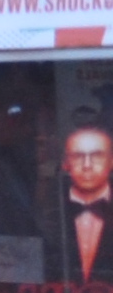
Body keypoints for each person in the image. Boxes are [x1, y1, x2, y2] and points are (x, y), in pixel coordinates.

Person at [58, 121, 113, 284]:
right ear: (65, 163)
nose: (87, 165)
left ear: (111, 161)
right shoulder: (47, 212)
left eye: (97, 156)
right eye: (77, 156)